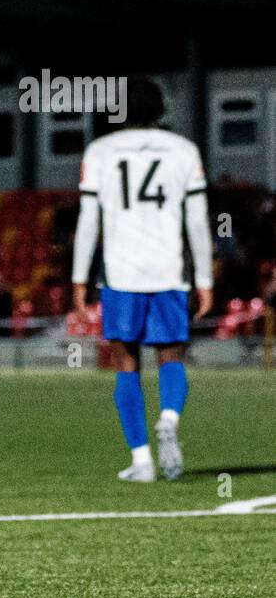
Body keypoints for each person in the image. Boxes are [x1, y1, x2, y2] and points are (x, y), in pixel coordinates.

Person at [71, 77, 212, 483]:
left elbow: (89, 221)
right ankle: (168, 418)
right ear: (159, 111)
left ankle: (142, 460)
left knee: (125, 361)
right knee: (171, 355)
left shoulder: (100, 151)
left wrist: (80, 279)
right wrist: (203, 277)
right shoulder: (184, 151)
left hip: (121, 272)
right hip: (169, 269)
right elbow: (198, 222)